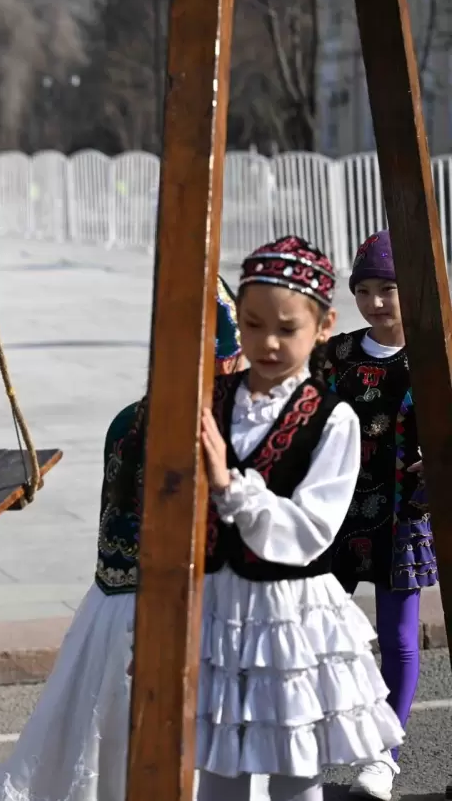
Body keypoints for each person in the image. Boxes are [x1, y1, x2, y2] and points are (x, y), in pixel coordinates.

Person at [0, 278, 244, 801]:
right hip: (169, 609)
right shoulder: (213, 429)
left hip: (108, 607)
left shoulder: (128, 419)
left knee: (96, 743)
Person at [195, 236, 403, 801]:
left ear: (323, 324)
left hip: (289, 614)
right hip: (217, 607)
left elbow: (310, 532)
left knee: (294, 768)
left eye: (287, 329)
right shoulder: (211, 400)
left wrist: (227, 486)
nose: (267, 342)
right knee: (218, 767)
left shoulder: (333, 420)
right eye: (254, 324)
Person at [315, 230, 434, 800]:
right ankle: (307, 744)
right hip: (332, 516)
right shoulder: (337, 354)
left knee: (399, 638)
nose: (374, 302)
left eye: (386, 288)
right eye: (363, 289)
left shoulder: (437, 356)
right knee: (316, 629)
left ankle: (384, 755)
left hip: (403, 517)